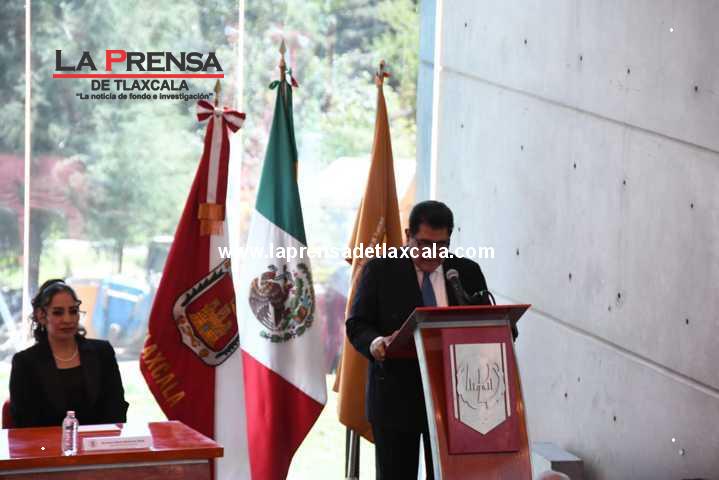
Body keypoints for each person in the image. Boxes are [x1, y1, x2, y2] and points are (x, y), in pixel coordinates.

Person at [346, 200, 492, 479]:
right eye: (424, 244)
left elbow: (488, 324)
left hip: (457, 400)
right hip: (396, 396)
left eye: (441, 245)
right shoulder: (380, 270)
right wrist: (376, 343)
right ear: (407, 236)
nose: (432, 253)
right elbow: (357, 324)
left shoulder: (466, 272)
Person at [9, 279, 129, 428]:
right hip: (46, 442)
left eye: (73, 311)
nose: (67, 319)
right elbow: (24, 421)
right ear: (41, 316)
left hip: (98, 440)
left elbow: (116, 408)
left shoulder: (103, 352)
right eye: (58, 313)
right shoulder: (25, 362)